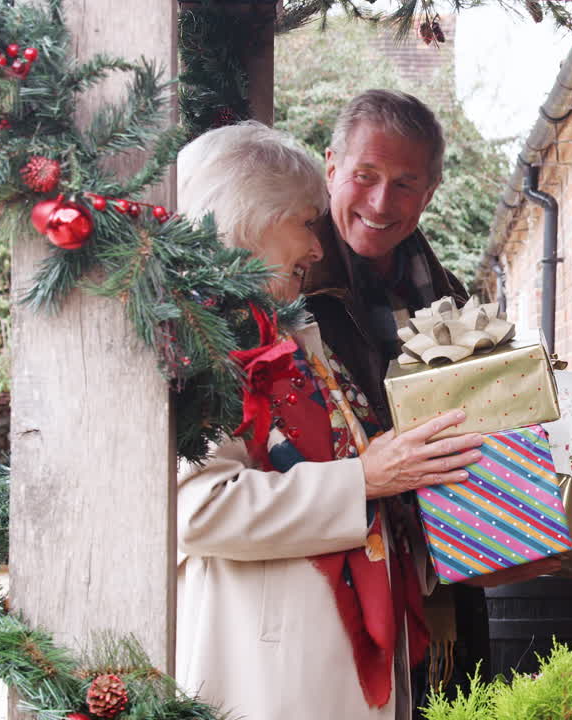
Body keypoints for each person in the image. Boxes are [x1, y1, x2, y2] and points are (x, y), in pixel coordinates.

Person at [174, 121, 490, 720]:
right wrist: (365, 480)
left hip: (345, 653)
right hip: (272, 675)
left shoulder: (294, 334)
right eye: (302, 222)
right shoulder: (198, 341)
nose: (318, 249)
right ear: (248, 219)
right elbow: (198, 510)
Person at [303, 90, 559, 710]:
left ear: (431, 193)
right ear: (331, 167)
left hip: (443, 564)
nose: (380, 202)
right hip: (328, 576)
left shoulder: (445, 294)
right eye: (364, 176)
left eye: (404, 183)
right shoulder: (291, 282)